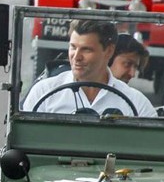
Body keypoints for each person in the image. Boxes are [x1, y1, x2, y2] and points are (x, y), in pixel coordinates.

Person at [22, 19, 157, 118]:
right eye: (73, 47)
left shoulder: (137, 104)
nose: (77, 57)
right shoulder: (43, 93)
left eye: (87, 50)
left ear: (109, 51)